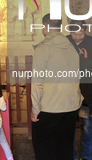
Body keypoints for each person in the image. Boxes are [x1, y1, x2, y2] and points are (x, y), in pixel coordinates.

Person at [31, 14, 82, 160]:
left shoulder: (43, 48)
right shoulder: (72, 48)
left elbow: (37, 82)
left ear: (45, 27)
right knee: (65, 148)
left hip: (49, 108)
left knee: (44, 149)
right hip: (71, 106)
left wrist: (35, 109)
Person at [67, 20, 92, 160]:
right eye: (74, 34)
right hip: (69, 90)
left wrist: (82, 64)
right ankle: (72, 156)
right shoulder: (65, 41)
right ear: (70, 31)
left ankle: (86, 156)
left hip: (87, 91)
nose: (78, 37)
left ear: (85, 30)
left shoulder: (91, 42)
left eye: (81, 34)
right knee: (68, 126)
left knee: (87, 127)